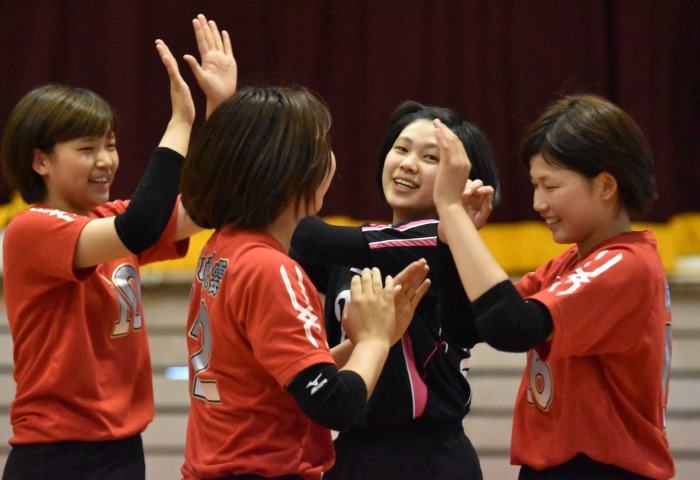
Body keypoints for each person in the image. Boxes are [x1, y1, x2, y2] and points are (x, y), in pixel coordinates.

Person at [0, 14, 237, 480]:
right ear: (40, 161)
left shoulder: (109, 219)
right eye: (87, 149)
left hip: (123, 451)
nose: (106, 160)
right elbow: (140, 226)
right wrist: (181, 122)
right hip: (56, 457)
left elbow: (214, 205)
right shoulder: (30, 229)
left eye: (110, 145)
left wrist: (221, 110)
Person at [178, 86, 431, 480]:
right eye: (321, 145)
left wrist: (366, 341)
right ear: (290, 171)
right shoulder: (271, 269)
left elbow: (286, 376)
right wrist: (374, 342)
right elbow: (334, 404)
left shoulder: (222, 246)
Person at [433, 94, 675, 479]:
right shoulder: (571, 263)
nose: (538, 202)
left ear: (606, 185)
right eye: (534, 186)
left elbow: (513, 328)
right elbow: (468, 327)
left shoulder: (625, 264)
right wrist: (453, 239)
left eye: (549, 186)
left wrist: (452, 214)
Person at [290, 101, 500, 480]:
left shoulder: (440, 240)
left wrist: (287, 167)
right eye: (401, 149)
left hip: (426, 458)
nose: (407, 164)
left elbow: (305, 235)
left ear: (462, 179)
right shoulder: (361, 244)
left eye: (430, 157)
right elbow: (287, 247)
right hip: (352, 449)